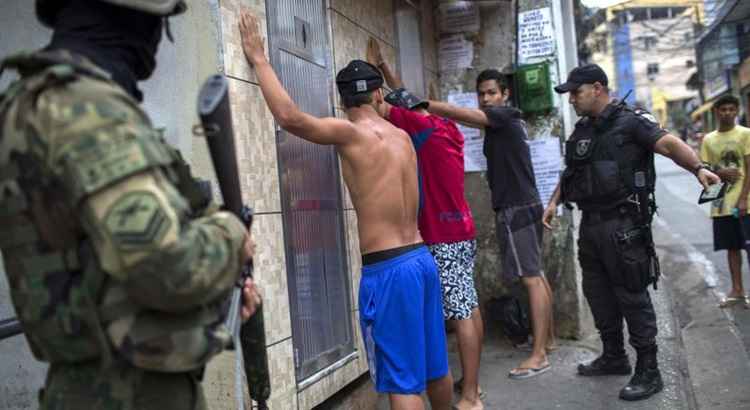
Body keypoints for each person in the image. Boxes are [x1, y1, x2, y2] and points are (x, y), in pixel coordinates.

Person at [0, 1, 262, 409]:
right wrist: (232, 237)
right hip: (127, 392)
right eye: (159, 24)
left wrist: (217, 292)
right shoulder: (86, 110)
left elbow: (94, 262)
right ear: (135, 18)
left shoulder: (31, 101)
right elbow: (164, 263)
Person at [238, 10, 452, 410]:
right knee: (435, 369)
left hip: (388, 270)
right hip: (422, 261)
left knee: (401, 382)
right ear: (376, 95)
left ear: (342, 100)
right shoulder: (403, 137)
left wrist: (260, 59)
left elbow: (290, 117)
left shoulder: (350, 133)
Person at [543, 64, 720, 401]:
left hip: (623, 225)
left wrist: (698, 168)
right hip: (591, 225)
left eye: (576, 93)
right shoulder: (582, 130)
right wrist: (553, 202)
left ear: (597, 88)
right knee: (597, 293)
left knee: (631, 296)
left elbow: (668, 145)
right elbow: (572, 173)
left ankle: (649, 370)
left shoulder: (632, 120)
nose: (572, 101)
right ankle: (613, 356)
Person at [366, 37, 484, 410]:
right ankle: (472, 388)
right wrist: (384, 67)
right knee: (469, 305)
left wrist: (370, 85)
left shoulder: (415, 131)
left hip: (443, 237)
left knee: (460, 313)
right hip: (463, 231)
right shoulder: (444, 129)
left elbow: (384, 106)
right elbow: (404, 99)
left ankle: (470, 396)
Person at [422, 69, 556, 380]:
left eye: (491, 93)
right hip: (525, 203)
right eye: (481, 94)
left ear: (505, 95)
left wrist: (425, 103)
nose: (486, 99)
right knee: (538, 275)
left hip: (516, 206)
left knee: (531, 278)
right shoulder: (507, 121)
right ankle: (547, 341)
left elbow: (464, 115)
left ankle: (538, 356)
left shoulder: (504, 116)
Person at [699, 94, 750, 308]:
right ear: (716, 112)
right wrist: (720, 171)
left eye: (731, 109)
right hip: (721, 204)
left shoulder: (745, 134)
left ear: (736, 111)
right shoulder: (708, 140)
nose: (727, 113)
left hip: (745, 203)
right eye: (723, 109)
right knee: (731, 248)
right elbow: (704, 170)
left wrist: (744, 198)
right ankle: (737, 291)